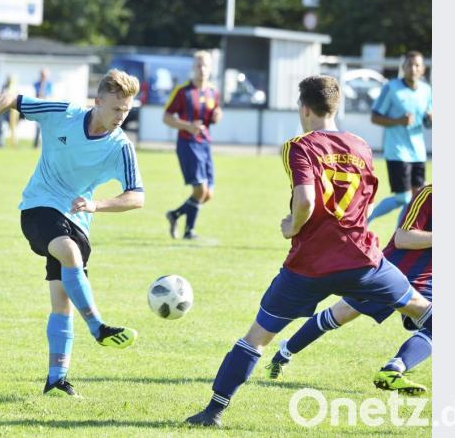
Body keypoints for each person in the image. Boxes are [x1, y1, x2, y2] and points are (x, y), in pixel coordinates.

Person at [184, 75, 433, 427]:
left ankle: (213, 411)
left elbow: (305, 199)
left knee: (256, 338)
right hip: (363, 261)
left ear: (303, 108)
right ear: (337, 106)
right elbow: (368, 198)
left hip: (309, 265)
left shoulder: (299, 146)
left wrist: (293, 225)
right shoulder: (361, 146)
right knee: (427, 312)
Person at [0, 69, 145, 397]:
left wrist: (95, 205)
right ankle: (98, 326)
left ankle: (56, 378)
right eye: (116, 108)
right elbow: (9, 99)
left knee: (62, 302)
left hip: (78, 219)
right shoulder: (63, 114)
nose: (121, 116)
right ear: (98, 101)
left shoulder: (120, 147)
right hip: (38, 207)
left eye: (127, 110)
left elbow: (137, 197)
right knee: (69, 253)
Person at [265, 184, 432, 394]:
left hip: (427, 280)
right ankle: (285, 352)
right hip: (397, 272)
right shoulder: (429, 194)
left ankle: (393, 369)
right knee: (342, 313)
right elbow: (403, 237)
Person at [368, 51, 432, 226]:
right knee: (402, 197)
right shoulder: (391, 88)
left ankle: (399, 234)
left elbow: (428, 122)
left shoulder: (427, 91)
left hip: (418, 152)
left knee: (416, 198)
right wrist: (398, 121)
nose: (413, 68)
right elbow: (374, 117)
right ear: (403, 68)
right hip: (397, 151)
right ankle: (365, 222)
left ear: (423, 69)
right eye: (409, 65)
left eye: (417, 65)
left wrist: (430, 120)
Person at [163, 51, 222, 240]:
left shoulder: (213, 91)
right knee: (200, 190)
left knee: (208, 193)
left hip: (205, 144)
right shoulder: (183, 92)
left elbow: (215, 114)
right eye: (198, 65)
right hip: (187, 144)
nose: (202, 69)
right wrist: (187, 126)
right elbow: (166, 117)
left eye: (205, 65)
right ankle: (189, 232)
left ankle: (175, 215)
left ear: (210, 68)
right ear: (193, 68)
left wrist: (217, 116)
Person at [32, 68, 54, 148]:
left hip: (47, 109)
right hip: (39, 108)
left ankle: (48, 144)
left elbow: (49, 95)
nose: (44, 77)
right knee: (38, 127)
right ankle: (36, 145)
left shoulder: (50, 84)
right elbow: (39, 95)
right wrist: (42, 85)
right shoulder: (37, 84)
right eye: (43, 75)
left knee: (48, 127)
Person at [0, 74, 17, 148]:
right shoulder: (4, 88)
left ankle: (14, 143)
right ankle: (1, 143)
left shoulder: (15, 88)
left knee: (13, 128)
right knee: (2, 127)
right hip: (3, 111)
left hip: (12, 111)